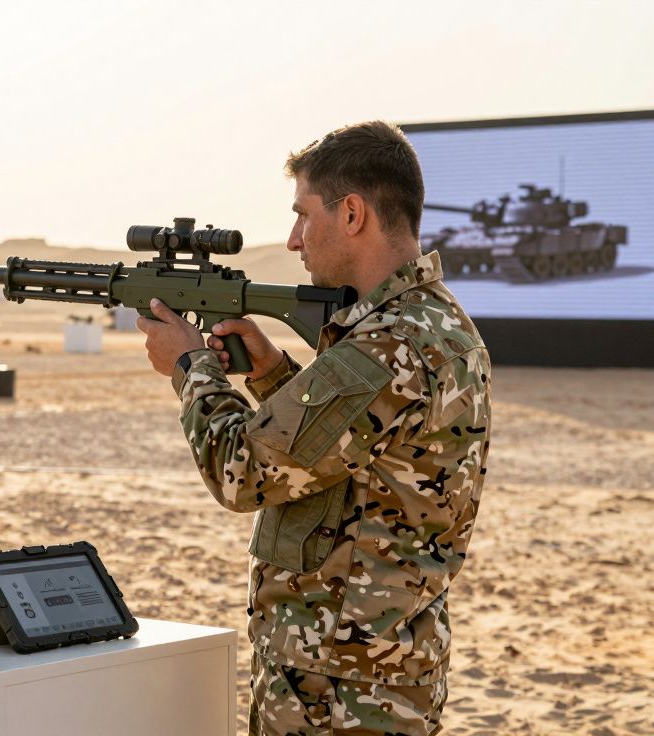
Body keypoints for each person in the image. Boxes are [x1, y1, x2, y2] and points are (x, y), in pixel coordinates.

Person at [138, 120, 491, 735]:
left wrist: (191, 368)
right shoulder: (433, 322)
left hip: (336, 693)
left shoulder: (387, 345)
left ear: (352, 213)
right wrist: (273, 373)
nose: (294, 240)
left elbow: (241, 473)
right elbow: (352, 456)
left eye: (304, 215)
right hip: (372, 676)